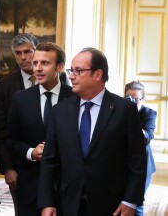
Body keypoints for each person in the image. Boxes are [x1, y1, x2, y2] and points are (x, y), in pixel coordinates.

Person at [38, 47, 147, 216]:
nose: (71, 76)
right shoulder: (60, 111)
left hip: (112, 205)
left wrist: (130, 201)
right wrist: (47, 202)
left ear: (98, 74)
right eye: (71, 70)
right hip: (68, 203)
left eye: (78, 71)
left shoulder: (124, 110)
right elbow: (50, 160)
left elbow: (137, 160)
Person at [6, 42, 74, 216]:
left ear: (59, 66)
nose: (38, 68)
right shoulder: (20, 99)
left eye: (45, 63)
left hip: (68, 189)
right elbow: (10, 140)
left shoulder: (75, 97)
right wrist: (30, 152)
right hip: (31, 189)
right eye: (35, 63)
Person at [0, 33, 39, 214]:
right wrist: (8, 168)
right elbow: (1, 129)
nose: (23, 57)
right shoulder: (5, 86)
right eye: (18, 53)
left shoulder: (58, 82)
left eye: (27, 52)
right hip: (19, 166)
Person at [125, 80, 157, 216]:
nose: (132, 102)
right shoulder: (120, 111)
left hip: (143, 165)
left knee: (136, 202)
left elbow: (146, 138)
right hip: (123, 163)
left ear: (143, 99)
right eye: (129, 98)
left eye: (136, 99)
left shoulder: (149, 113)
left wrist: (133, 115)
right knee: (122, 200)